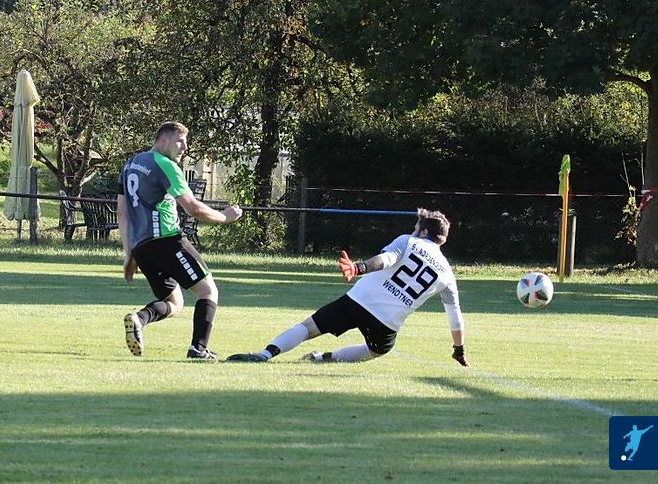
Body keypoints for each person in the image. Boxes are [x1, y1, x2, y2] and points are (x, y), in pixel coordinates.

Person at [227, 208, 469, 366]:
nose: (413, 231)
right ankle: (323, 358)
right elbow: (455, 316)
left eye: (416, 228)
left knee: (309, 327)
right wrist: (458, 349)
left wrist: (359, 268)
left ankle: (266, 354)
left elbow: (386, 259)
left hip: (359, 300)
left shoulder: (409, 241)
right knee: (377, 351)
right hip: (387, 322)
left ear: (424, 231)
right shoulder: (448, 274)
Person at [117, 121, 243, 360]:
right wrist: (225, 217)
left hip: (142, 247)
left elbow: (122, 212)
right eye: (180, 141)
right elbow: (193, 208)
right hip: (167, 241)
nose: (185, 147)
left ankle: (139, 318)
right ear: (163, 139)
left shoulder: (130, 164)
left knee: (174, 302)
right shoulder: (165, 165)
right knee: (208, 291)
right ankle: (199, 349)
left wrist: (129, 252)